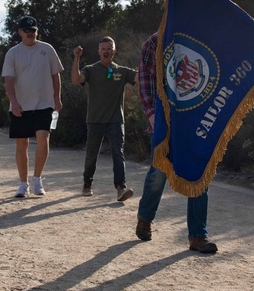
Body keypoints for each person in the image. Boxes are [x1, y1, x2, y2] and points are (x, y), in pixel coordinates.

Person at [134, 32, 217, 254]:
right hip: (164, 119)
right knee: (159, 173)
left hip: (195, 119)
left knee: (199, 172)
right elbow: (145, 80)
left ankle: (198, 235)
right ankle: (145, 218)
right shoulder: (154, 42)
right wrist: (152, 114)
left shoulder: (204, 39)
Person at [2, 16, 64, 197]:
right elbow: (8, 80)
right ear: (20, 32)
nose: (30, 33)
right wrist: (14, 102)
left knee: (43, 139)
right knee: (22, 144)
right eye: (26, 30)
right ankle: (23, 183)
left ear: (37, 31)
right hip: (21, 106)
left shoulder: (47, 49)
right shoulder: (13, 53)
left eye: (33, 30)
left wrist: (57, 98)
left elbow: (55, 75)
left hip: (44, 104)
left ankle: (37, 179)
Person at [70, 37, 137, 201]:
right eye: (103, 48)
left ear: (114, 51)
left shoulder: (122, 71)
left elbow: (140, 78)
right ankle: (87, 183)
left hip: (116, 121)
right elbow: (75, 80)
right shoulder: (91, 70)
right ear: (99, 51)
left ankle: (121, 188)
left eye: (109, 48)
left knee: (118, 153)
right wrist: (76, 58)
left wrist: (150, 59)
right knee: (92, 155)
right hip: (95, 120)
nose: (106, 51)